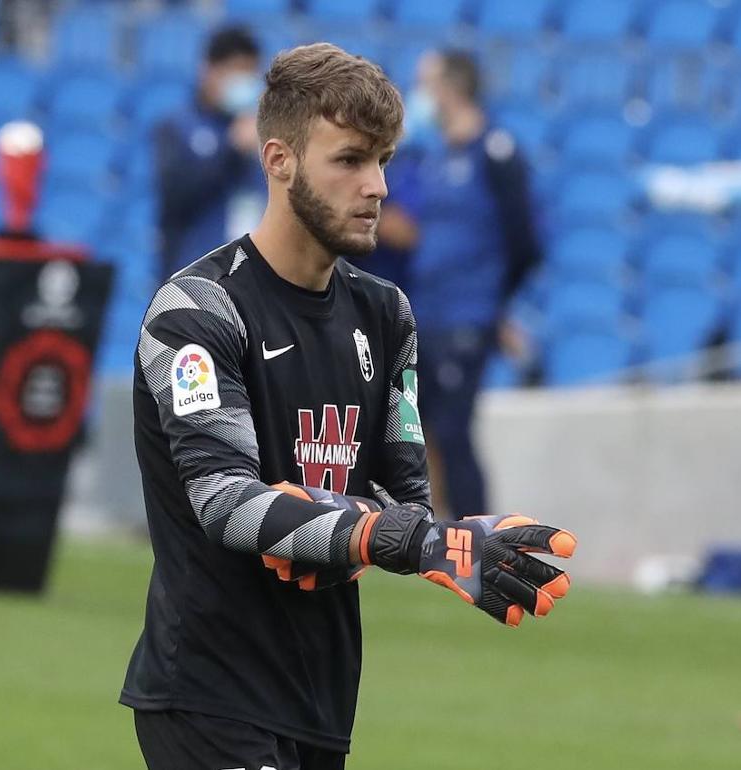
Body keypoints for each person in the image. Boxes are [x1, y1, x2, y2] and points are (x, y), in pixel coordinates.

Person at [120, 44, 576, 770]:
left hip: (322, 697)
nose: (378, 186)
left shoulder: (387, 313)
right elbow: (226, 502)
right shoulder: (197, 310)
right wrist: (384, 534)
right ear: (279, 161)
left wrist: (441, 538)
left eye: (384, 160)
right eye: (351, 161)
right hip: (208, 693)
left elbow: (405, 498)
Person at [378, 49, 541, 520]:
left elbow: (526, 243)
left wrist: (493, 305)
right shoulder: (432, 155)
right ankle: (429, 531)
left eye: (426, 83)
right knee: (418, 433)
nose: (418, 94)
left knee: (453, 432)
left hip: (467, 317)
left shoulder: (496, 153)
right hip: (427, 313)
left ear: (451, 88)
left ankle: (479, 535)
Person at [154, 24, 267, 279]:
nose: (244, 82)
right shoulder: (177, 127)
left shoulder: (262, 133)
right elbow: (176, 196)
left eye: (250, 72)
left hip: (251, 278)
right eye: (235, 71)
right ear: (208, 71)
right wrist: (231, 150)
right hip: (193, 275)